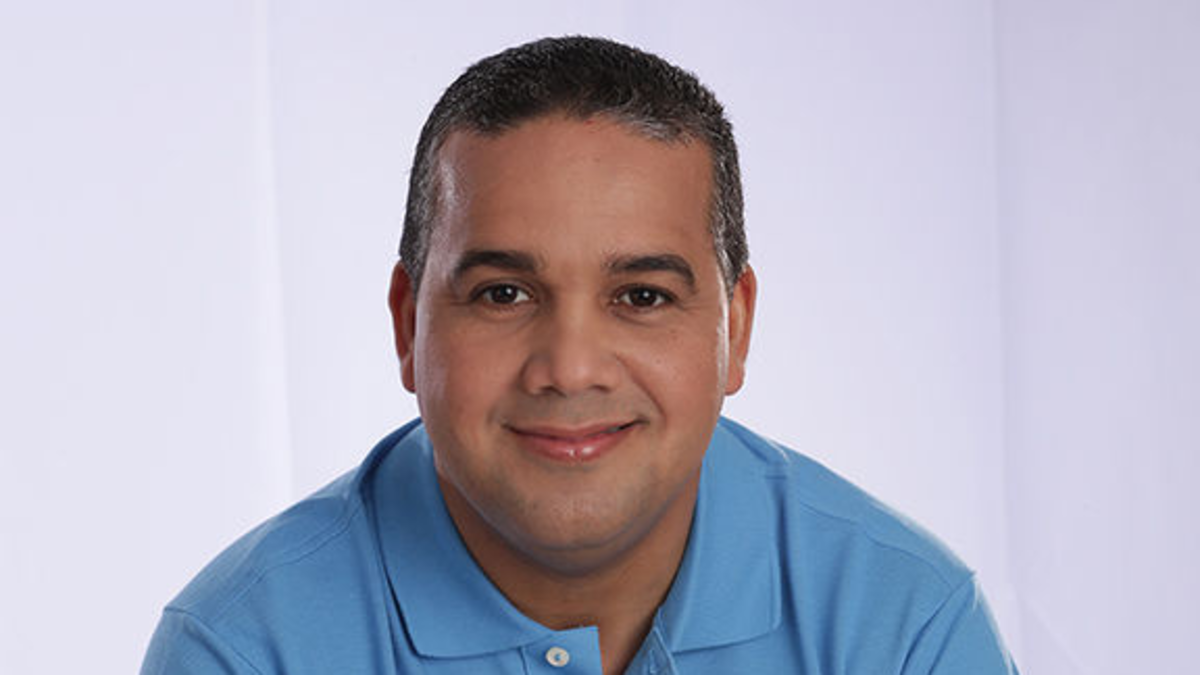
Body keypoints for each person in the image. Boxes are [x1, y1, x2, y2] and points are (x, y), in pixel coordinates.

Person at [141, 36, 1018, 674]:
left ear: (736, 327)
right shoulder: (247, 648)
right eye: (503, 293)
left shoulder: (904, 626)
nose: (568, 368)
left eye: (642, 296)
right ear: (408, 324)